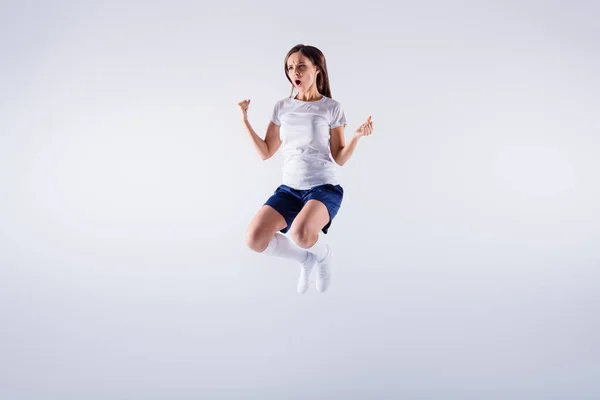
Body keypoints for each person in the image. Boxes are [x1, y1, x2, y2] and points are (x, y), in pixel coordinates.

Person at [239, 44, 373, 294]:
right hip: (289, 190)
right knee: (254, 239)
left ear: (317, 70)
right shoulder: (282, 107)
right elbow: (266, 152)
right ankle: (305, 259)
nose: (295, 72)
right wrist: (245, 121)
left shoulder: (331, 108)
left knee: (301, 234)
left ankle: (323, 256)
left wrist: (355, 137)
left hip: (323, 189)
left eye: (301, 66)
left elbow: (339, 158)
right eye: (290, 68)